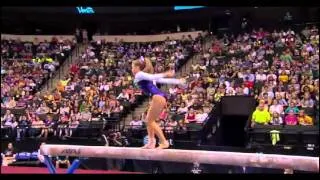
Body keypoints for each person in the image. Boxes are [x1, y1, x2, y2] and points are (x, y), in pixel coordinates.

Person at [132, 57, 185, 149]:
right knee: (148, 120)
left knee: (150, 121)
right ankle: (151, 142)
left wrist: (166, 73)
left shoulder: (139, 74)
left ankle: (164, 142)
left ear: (137, 67)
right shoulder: (145, 76)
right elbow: (163, 80)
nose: (132, 70)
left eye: (132, 67)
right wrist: (177, 81)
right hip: (158, 97)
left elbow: (154, 77)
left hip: (157, 97)